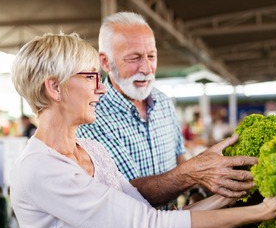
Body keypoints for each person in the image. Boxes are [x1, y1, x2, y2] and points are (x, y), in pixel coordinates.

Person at [9, 32, 276, 228]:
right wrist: (261, 211)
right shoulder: (40, 170)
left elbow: (146, 213)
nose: (100, 89)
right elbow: (149, 227)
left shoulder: (92, 150)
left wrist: (230, 194)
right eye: (91, 77)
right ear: (55, 88)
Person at [77, 12, 253, 207]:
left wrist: (195, 192)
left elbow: (179, 156)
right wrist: (194, 172)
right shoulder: (91, 115)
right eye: (134, 58)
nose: (146, 68)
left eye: (151, 56)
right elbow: (125, 194)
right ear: (105, 62)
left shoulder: (162, 101)